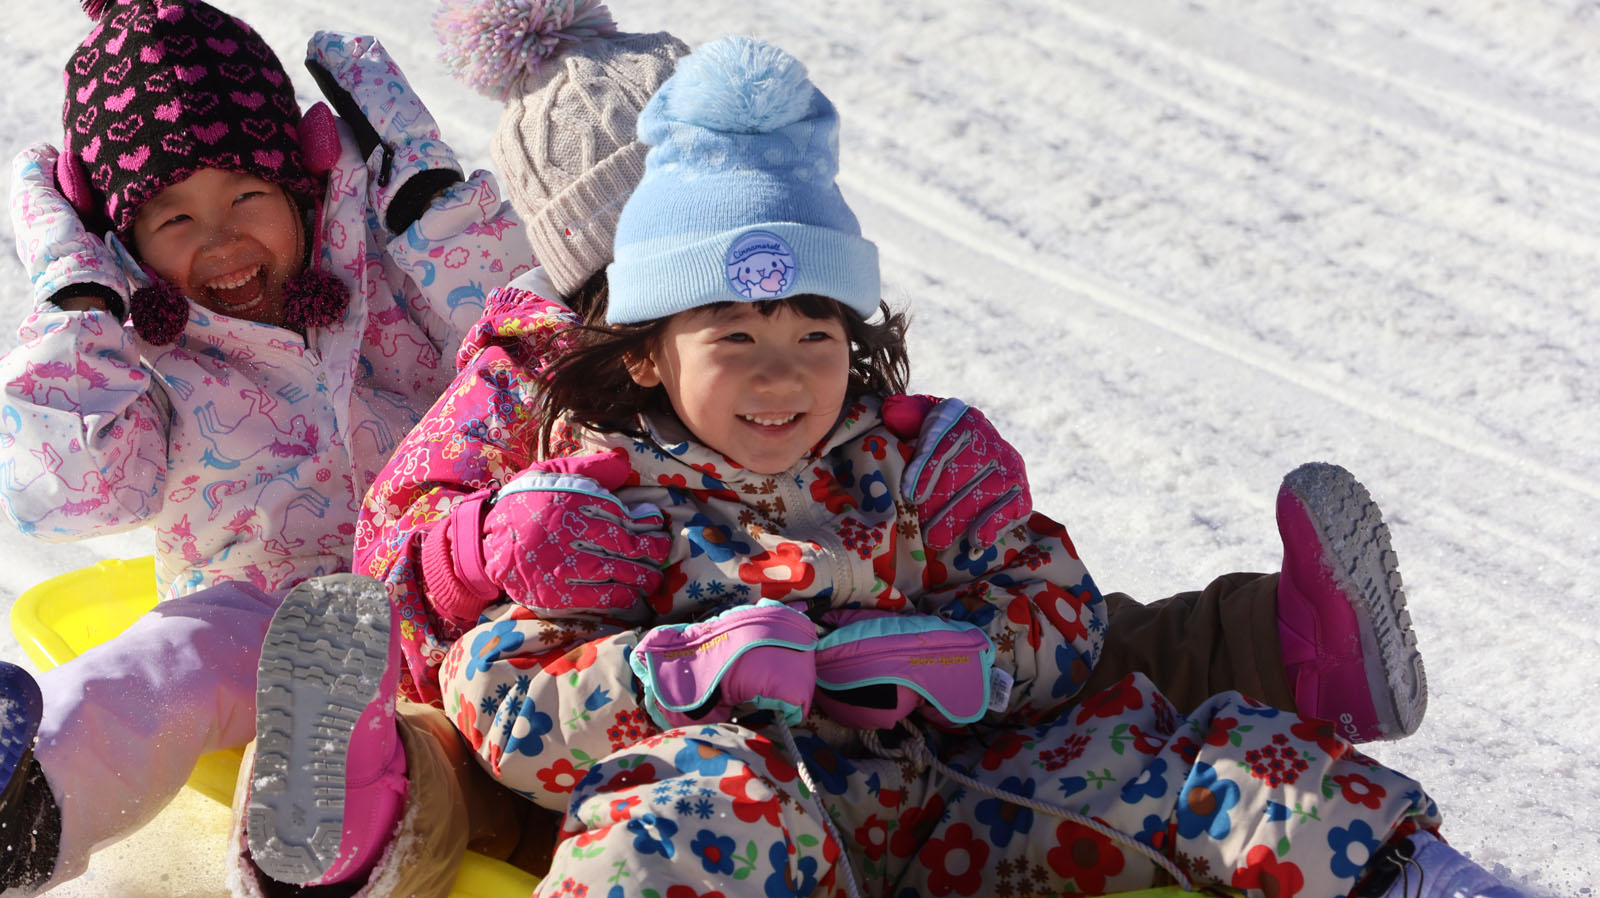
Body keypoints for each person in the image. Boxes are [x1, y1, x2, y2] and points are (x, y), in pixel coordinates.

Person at [226, 34, 1522, 898]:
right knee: (598, 805)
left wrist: (979, 647)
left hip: (951, 775)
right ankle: (352, 809)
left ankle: (1403, 860)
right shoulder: (581, 455)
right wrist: (658, 660)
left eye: (807, 323)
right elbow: (495, 665)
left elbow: (1050, 600)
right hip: (699, 777)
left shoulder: (882, 445)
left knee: (1186, 750)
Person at [0, 0, 538, 891]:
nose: (220, 239)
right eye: (172, 220)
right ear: (122, 245)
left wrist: (430, 202)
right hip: (262, 609)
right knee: (169, 664)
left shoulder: (386, 263)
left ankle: (360, 813)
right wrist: (76, 308)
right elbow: (75, 497)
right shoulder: (138, 345)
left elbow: (519, 337)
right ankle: (33, 798)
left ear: (305, 182)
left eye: (247, 195)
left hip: (452, 574)